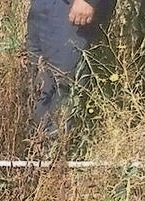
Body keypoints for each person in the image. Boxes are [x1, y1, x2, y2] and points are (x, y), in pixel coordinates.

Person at [26, 0, 115, 136]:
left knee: (64, 88)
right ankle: (38, 150)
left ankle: (58, 152)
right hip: (42, 7)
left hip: (72, 9)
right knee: (39, 87)